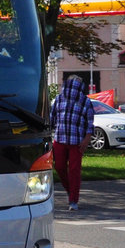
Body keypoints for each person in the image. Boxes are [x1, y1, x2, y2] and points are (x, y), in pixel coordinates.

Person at [49, 74, 94, 211]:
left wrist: (87, 139)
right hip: (60, 139)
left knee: (74, 171)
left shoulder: (85, 101)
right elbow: (52, 118)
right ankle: (70, 191)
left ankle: (73, 200)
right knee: (59, 167)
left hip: (77, 142)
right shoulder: (58, 99)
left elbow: (90, 122)